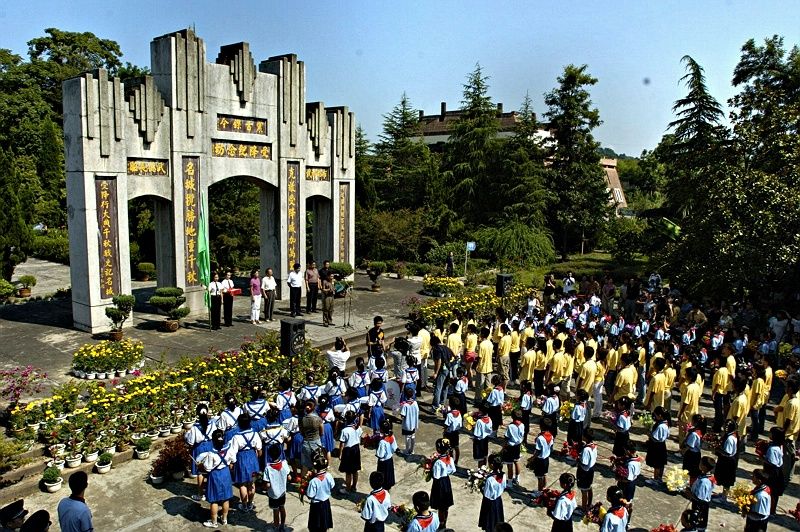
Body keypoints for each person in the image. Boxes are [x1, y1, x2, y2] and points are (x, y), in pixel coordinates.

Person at [196, 429, 232, 528]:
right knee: (225, 498)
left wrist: (200, 466)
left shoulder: (211, 454)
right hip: (226, 473)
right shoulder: (229, 449)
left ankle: (214, 522)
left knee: (214, 500)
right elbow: (233, 460)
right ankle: (224, 519)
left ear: (213, 440)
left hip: (215, 475)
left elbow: (207, 468)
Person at [227, 414, 261, 512]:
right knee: (252, 483)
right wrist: (257, 458)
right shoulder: (255, 434)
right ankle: (250, 503)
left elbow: (233, 452)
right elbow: (259, 449)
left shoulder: (236, 437)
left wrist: (232, 463)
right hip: (252, 457)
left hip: (241, 458)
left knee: (242, 484)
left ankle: (244, 505)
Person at [185, 403, 216, 501]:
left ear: (197, 413)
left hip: (199, 448)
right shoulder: (212, 424)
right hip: (210, 446)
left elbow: (190, 442)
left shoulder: (195, 427)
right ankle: (211, 491)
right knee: (211, 469)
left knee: (200, 472)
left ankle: (200, 494)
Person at [262, 444, 290, 532]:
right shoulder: (284, 464)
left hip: (273, 494)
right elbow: (289, 477)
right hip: (282, 492)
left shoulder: (268, 468)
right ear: (280, 453)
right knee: (282, 507)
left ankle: (276, 527)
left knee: (276, 510)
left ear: (269, 455)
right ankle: (283, 526)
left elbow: (267, 485)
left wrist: (264, 487)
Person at [430, 438, 456, 528]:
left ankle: (441, 523)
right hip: (446, 482)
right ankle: (444, 521)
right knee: (446, 505)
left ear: (438, 449)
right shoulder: (450, 459)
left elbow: (436, 476)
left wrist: (430, 469)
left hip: (439, 484)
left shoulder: (438, 462)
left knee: (440, 506)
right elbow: (453, 470)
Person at [306, 451, 335, 532]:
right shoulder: (329, 476)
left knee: (315, 526)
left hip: (316, 506)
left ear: (315, 467)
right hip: (326, 503)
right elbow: (332, 486)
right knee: (324, 524)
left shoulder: (313, 481)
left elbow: (310, 495)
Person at [478, 454, 506, 532]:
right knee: (497, 520)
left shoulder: (489, 479)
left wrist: (480, 487)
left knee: (489, 522)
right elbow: (503, 486)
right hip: (498, 501)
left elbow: (487, 494)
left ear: (492, 465)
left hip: (489, 503)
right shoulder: (503, 475)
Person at [338, 410, 363, 494]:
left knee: (348, 472)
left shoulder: (345, 430)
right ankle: (354, 487)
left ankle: (347, 489)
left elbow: (342, 444)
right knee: (355, 470)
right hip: (356, 449)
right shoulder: (358, 428)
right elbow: (360, 435)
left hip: (348, 451)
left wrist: (340, 454)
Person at [645, 406, 670, 486]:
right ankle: (659, 478)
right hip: (662, 445)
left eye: (655, 415)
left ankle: (655, 480)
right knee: (660, 463)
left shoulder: (661, 426)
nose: (654, 417)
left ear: (660, 415)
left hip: (657, 446)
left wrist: (649, 434)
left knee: (657, 464)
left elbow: (655, 438)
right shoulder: (666, 423)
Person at [689, 456, 715, 532]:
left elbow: (700, 499)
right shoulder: (706, 476)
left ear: (704, 467)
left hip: (700, 507)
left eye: (700, 463)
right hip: (701, 505)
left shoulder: (704, 482)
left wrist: (689, 494)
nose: (699, 464)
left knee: (697, 524)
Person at [299, 400, 324, 479]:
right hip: (316, 443)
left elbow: (301, 432)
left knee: (305, 466)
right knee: (317, 464)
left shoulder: (301, 419)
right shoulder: (318, 419)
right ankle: (316, 482)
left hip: (306, 443)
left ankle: (303, 483)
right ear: (314, 408)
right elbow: (321, 433)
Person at [531, 417, 555, 496]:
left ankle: (539, 493)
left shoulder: (540, 438)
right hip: (546, 459)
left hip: (540, 460)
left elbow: (538, 451)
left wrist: (532, 458)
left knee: (539, 477)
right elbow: (551, 448)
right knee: (544, 475)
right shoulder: (551, 436)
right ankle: (544, 490)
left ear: (541, 426)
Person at [576, 428, 597, 514]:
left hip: (584, 471)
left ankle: (583, 509)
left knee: (583, 490)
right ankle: (589, 504)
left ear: (585, 437)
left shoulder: (586, 449)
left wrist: (577, 459)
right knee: (589, 487)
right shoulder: (594, 446)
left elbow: (584, 463)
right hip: (591, 469)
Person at [503, 410, 524, 485]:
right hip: (517, 446)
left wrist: (504, 446)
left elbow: (507, 437)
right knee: (516, 461)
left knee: (509, 464)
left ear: (512, 417)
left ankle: (510, 483)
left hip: (510, 447)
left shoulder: (511, 426)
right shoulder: (522, 425)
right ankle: (517, 478)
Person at [376, 419, 397, 490]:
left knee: (382, 479)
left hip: (383, 463)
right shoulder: (392, 436)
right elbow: (394, 448)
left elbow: (380, 455)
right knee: (388, 478)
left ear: (381, 430)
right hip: (389, 460)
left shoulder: (382, 442)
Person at [399, 386, 419, 457]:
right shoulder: (415, 403)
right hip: (413, 424)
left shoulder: (405, 405)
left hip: (407, 425)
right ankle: (412, 450)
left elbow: (402, 416)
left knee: (407, 438)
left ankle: (407, 451)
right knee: (413, 437)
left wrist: (400, 409)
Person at [443, 396, 463, 464]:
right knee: (456, 447)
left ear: (450, 405)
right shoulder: (459, 413)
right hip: (456, 433)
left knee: (449, 448)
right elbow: (460, 425)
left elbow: (446, 425)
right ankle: (456, 461)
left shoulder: (449, 415)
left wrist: (444, 432)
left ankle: (450, 461)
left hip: (449, 433)